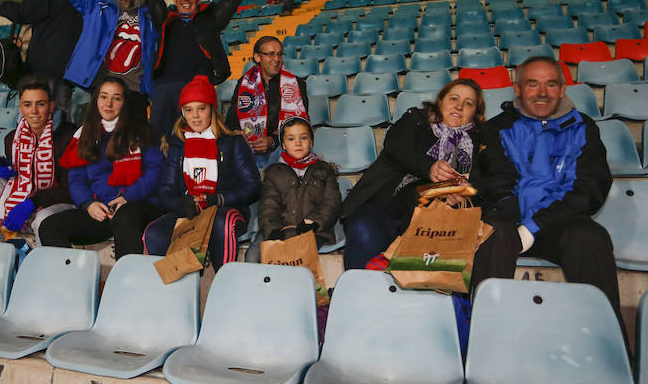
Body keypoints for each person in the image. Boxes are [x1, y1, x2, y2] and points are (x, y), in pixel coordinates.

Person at [477, 56, 626, 333]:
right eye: (533, 84)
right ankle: (485, 338)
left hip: (560, 222)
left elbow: (589, 188)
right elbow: (496, 182)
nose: (543, 93)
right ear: (518, 89)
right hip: (512, 222)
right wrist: (515, 220)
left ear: (562, 89)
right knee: (492, 233)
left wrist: (535, 225)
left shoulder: (583, 127)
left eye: (551, 84)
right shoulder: (496, 128)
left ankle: (608, 344)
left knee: (591, 238)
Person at [340, 78, 518, 272]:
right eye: (454, 99)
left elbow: (494, 174)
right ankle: (356, 293)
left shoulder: (483, 137)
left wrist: (465, 191)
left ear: (475, 113)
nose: (459, 106)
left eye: (468, 103)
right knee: (363, 228)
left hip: (446, 217)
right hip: (389, 205)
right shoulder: (415, 119)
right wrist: (429, 167)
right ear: (440, 101)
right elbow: (396, 146)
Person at [134, 0, 265, 137]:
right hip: (163, 91)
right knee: (156, 143)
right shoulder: (165, 20)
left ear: (199, 0)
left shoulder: (210, 20)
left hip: (196, 91)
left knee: (197, 142)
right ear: (175, 0)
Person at [143, 75, 262, 271]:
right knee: (153, 232)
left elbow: (253, 186)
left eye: (201, 109)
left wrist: (218, 199)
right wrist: (183, 203)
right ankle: (172, 294)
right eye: (189, 110)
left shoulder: (232, 143)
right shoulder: (178, 145)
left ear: (212, 110)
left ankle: (224, 288)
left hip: (225, 209)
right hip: (190, 212)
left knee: (221, 223)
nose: (195, 116)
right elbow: (165, 191)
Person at [38, 76, 163, 256]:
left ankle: (125, 282)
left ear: (124, 102)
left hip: (137, 205)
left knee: (126, 217)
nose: (108, 104)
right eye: (103, 97)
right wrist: (89, 204)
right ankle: (70, 280)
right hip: (102, 209)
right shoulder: (85, 134)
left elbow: (155, 172)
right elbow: (77, 179)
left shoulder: (142, 133)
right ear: (96, 100)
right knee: (50, 226)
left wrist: (127, 197)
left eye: (116, 98)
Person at [0, 75, 77, 244]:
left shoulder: (69, 136)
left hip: (57, 202)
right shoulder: (12, 138)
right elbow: (19, 180)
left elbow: (71, 190)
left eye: (41, 104)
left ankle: (43, 260)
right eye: (28, 105)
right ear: (21, 108)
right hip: (25, 194)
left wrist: (33, 202)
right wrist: (7, 171)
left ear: (51, 106)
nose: (34, 111)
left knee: (44, 219)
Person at [0, 0, 82, 123]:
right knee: (61, 124)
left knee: (34, 124)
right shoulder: (78, 0)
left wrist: (3, 7)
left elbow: (23, 12)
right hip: (66, 74)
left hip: (42, 73)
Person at [256, 116, 340, 252]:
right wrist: (273, 231)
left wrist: (313, 222)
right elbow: (268, 207)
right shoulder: (273, 173)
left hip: (315, 232)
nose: (298, 143)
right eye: (291, 139)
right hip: (281, 231)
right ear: (283, 145)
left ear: (311, 142)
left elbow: (331, 202)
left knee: (300, 251)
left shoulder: (324, 170)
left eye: (303, 138)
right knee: (253, 255)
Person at [224, 36, 308, 169]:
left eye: (279, 54)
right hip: (250, 149)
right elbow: (231, 121)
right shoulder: (244, 85)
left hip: (282, 148)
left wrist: (272, 141)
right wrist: (236, 132)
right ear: (257, 57)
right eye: (271, 54)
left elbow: (301, 125)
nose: (276, 59)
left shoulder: (296, 85)